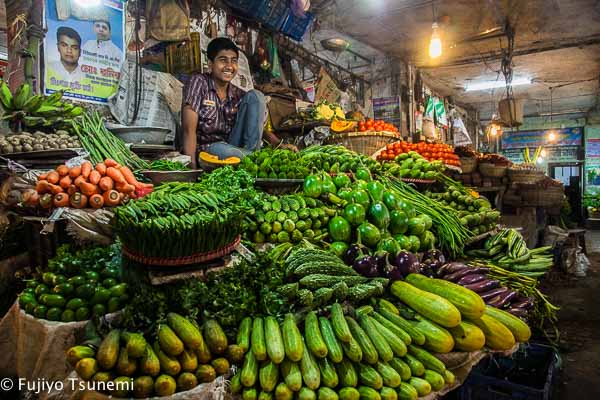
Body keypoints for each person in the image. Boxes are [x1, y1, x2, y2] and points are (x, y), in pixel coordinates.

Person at [181, 37, 292, 167]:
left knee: (256, 96)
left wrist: (279, 145)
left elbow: (256, 126)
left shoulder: (238, 94)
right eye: (223, 60)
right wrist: (191, 170)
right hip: (208, 152)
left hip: (233, 150)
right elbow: (188, 130)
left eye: (233, 61)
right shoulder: (199, 82)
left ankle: (253, 157)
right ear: (210, 64)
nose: (229, 66)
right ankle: (258, 159)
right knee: (219, 149)